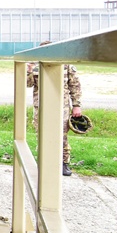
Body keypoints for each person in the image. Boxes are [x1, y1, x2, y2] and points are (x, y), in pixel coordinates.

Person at [26, 42, 83, 176]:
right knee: (42, 134)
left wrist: (76, 105)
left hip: (61, 106)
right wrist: (28, 71)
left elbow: (75, 85)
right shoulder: (35, 64)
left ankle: (63, 163)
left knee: (62, 135)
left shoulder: (65, 63)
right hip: (41, 105)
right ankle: (44, 162)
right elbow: (28, 84)